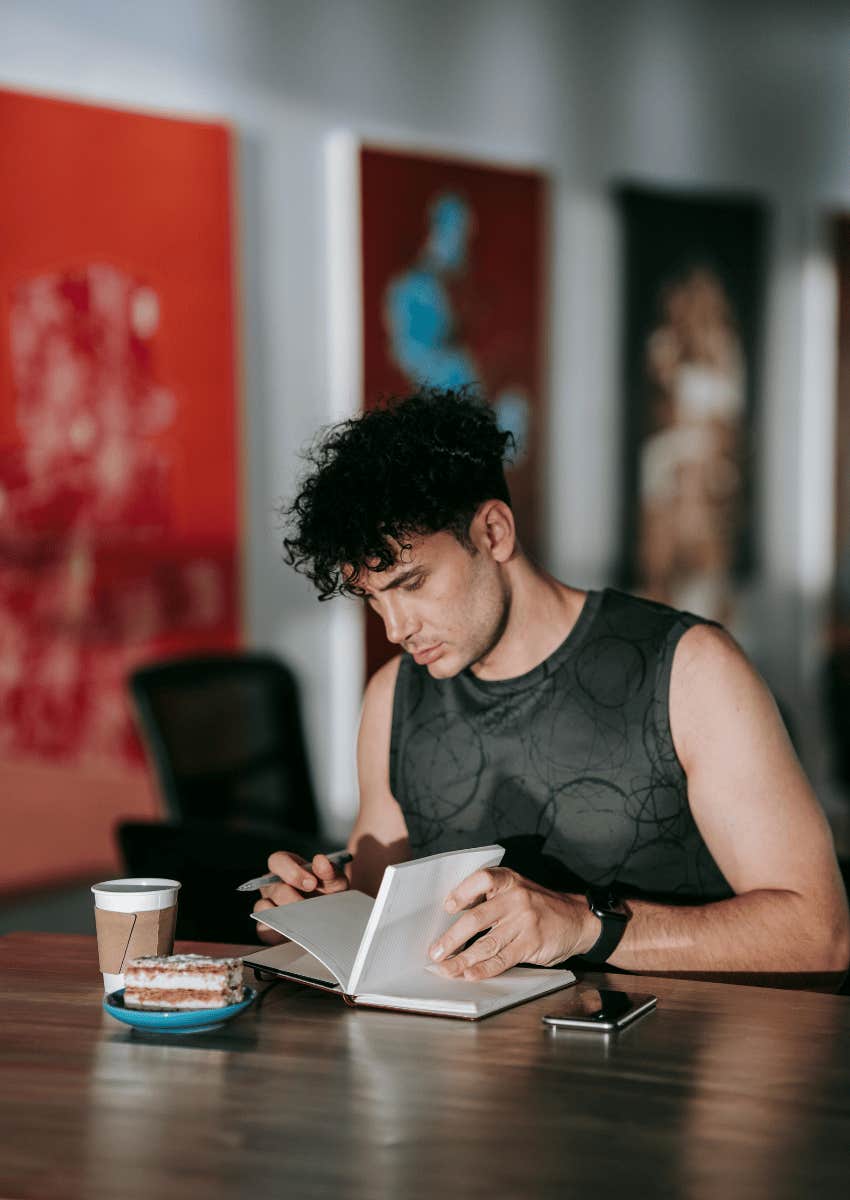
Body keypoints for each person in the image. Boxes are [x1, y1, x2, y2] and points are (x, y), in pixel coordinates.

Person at [255, 389, 850, 990]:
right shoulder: (393, 697)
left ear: (493, 532)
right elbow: (378, 914)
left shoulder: (692, 670)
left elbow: (821, 933)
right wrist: (322, 909)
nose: (395, 627)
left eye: (412, 584)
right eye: (374, 599)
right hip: (474, 1067)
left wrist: (588, 926)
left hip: (672, 1065)